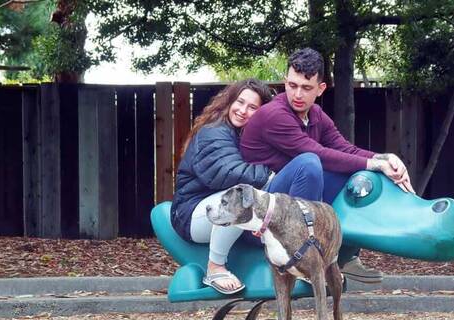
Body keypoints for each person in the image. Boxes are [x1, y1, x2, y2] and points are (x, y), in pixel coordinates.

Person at [240, 48, 415, 284]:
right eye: (292, 85)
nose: (297, 94)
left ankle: (345, 256)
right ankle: (299, 258)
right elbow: (317, 154)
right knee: (310, 163)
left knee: (357, 174)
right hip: (259, 215)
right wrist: (375, 163)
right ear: (285, 82)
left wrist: (383, 159)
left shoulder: (316, 115)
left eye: (306, 87)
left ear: (321, 89)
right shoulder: (274, 115)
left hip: (288, 202)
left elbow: (346, 150)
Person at [171, 79, 274, 294]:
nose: (243, 111)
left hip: (216, 207)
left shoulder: (245, 136)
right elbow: (226, 173)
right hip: (192, 212)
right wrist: (271, 173)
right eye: (240, 102)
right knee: (242, 197)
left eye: (253, 107)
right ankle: (215, 267)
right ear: (229, 101)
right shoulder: (214, 132)